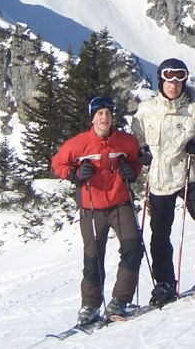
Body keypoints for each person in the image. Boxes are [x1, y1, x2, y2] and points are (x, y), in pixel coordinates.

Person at [128, 58, 195, 306]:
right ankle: (164, 283)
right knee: (159, 235)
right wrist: (141, 149)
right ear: (161, 80)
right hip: (159, 179)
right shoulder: (147, 109)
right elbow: (135, 134)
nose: (174, 85)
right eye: (169, 79)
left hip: (189, 175)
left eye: (179, 80)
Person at [51, 96, 144, 325]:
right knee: (93, 257)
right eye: (100, 113)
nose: (105, 117)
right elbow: (58, 163)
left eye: (108, 113)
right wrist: (75, 175)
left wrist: (132, 172)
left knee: (133, 248)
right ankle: (90, 304)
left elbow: (135, 161)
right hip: (91, 207)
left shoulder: (126, 141)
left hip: (120, 203)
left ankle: (120, 300)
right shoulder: (78, 144)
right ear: (92, 117)